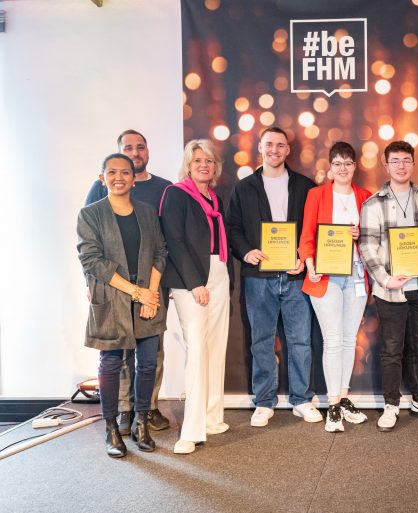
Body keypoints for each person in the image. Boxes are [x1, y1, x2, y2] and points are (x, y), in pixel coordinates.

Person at [226, 126, 323, 427]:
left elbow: (316, 227)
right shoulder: (245, 188)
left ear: (288, 150)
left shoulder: (305, 186)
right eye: (269, 144)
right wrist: (245, 252)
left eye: (280, 145)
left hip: (295, 276)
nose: (275, 150)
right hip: (258, 277)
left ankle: (301, 399)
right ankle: (264, 401)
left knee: (300, 341)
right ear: (260, 147)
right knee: (262, 341)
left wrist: (305, 259)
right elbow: (232, 228)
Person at [77, 153, 166, 458]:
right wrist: (136, 292)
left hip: (146, 296)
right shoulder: (90, 214)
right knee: (111, 364)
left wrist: (150, 294)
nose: (119, 177)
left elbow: (160, 253)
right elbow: (92, 261)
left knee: (148, 363)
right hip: (113, 296)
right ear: (102, 178)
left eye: (125, 172)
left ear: (133, 177)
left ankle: (141, 423)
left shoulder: (146, 212)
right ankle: (112, 428)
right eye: (112, 173)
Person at [359, 140, 418, 432]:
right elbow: (367, 247)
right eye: (395, 161)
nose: (401, 166)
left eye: (406, 160)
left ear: (413, 163)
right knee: (392, 348)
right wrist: (386, 279)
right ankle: (391, 404)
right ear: (386, 166)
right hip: (390, 289)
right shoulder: (373, 204)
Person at [160, 139, 230, 455]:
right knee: (198, 349)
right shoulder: (176, 194)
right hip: (193, 281)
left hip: (219, 273)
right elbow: (174, 241)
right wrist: (193, 283)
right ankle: (190, 431)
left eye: (209, 161)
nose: (204, 165)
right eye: (198, 160)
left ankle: (213, 418)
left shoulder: (213, 197)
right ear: (188, 165)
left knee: (216, 347)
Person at [298, 142, 372, 432]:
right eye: (338, 163)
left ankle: (342, 398)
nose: (343, 168)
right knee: (332, 339)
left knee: (348, 340)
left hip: (356, 274)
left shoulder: (365, 196)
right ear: (330, 167)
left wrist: (361, 233)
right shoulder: (317, 195)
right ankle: (332, 406)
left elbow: (375, 238)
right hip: (326, 276)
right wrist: (311, 264)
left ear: (355, 166)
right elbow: (307, 235)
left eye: (348, 163)